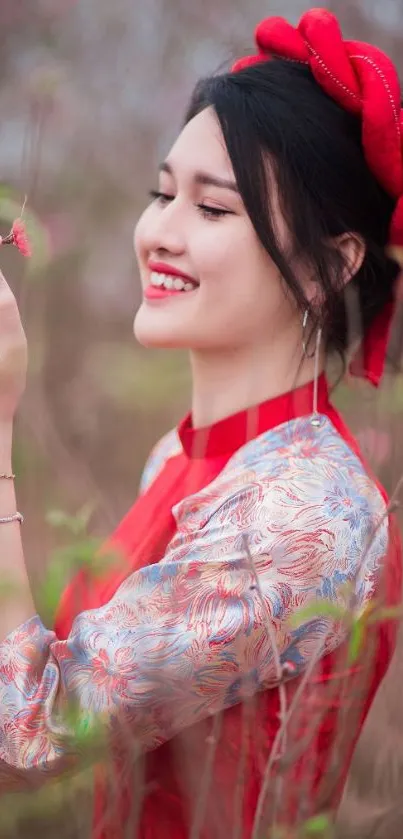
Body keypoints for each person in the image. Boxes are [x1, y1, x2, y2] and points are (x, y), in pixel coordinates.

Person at [0, 7, 402, 838]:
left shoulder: (298, 514)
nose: (158, 233)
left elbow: (27, 733)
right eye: (161, 193)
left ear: (335, 263)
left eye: (212, 210)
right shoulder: (188, 458)